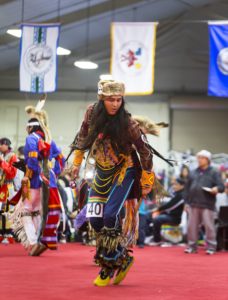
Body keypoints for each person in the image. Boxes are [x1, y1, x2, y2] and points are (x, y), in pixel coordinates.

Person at [70, 79, 154, 286]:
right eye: (111, 100)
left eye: (118, 100)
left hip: (125, 170)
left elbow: (145, 151)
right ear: (102, 99)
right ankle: (122, 257)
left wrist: (147, 178)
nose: (115, 104)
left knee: (109, 215)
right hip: (101, 170)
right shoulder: (91, 113)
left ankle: (107, 267)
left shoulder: (128, 123)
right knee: (95, 217)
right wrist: (76, 163)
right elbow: (82, 136)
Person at [9, 99, 65, 256]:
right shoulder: (49, 139)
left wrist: (29, 174)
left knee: (26, 210)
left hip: (33, 180)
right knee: (39, 211)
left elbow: (32, 160)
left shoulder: (31, 139)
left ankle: (33, 242)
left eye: (27, 127)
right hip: (49, 180)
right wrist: (54, 173)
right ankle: (39, 240)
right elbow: (61, 159)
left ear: (31, 127)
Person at [184, 150, 224, 255]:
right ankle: (192, 246)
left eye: (202, 158)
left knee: (209, 226)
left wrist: (216, 189)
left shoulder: (214, 172)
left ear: (208, 160)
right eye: (199, 157)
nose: (199, 160)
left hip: (207, 204)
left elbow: (221, 187)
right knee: (191, 226)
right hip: (193, 203)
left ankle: (211, 247)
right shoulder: (193, 172)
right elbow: (187, 189)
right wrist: (186, 203)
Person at [150, 177, 185, 245]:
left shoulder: (181, 195)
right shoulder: (175, 193)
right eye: (173, 184)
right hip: (168, 214)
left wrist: (158, 210)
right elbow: (166, 202)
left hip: (175, 218)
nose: (174, 186)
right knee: (148, 216)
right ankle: (148, 236)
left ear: (182, 186)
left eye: (176, 184)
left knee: (158, 219)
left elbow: (171, 206)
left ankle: (157, 240)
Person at [0, 138, 17, 243]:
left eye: (1, 145)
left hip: (8, 186)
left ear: (6, 145)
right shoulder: (2, 155)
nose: (0, 147)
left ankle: (8, 234)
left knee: (8, 210)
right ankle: (1, 233)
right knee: (1, 211)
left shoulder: (12, 156)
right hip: (1, 186)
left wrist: (2, 162)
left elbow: (12, 173)